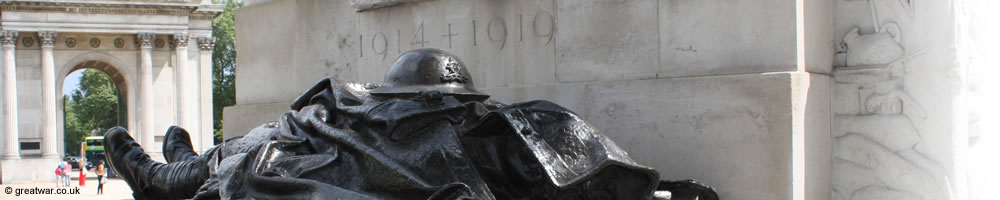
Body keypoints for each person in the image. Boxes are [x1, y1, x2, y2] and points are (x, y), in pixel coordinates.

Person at [103, 48, 717, 200]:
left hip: (286, 154)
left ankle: (163, 168)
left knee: (230, 160)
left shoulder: (491, 132)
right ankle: (170, 163)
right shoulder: (503, 125)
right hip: (297, 147)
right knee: (241, 152)